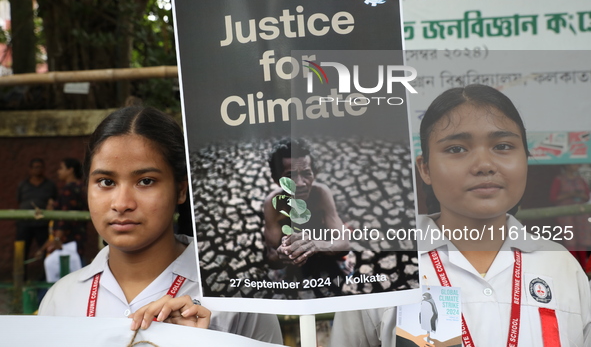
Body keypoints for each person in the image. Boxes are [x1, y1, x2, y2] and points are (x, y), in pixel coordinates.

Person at [330, 85, 591, 346]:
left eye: (502, 145)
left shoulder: (560, 265)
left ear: (525, 158)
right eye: (456, 149)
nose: (484, 165)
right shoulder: (377, 266)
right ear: (425, 169)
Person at [38, 106, 282, 343]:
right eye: (106, 181)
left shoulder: (236, 292)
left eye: (145, 181)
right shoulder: (62, 299)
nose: (122, 203)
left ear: (181, 190)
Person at [263, 138, 349, 296]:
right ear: (277, 180)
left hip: (321, 246)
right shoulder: (273, 204)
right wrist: (282, 255)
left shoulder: (321, 194)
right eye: (290, 176)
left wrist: (316, 245)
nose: (300, 183)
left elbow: (343, 243)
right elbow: (271, 256)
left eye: (306, 173)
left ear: (315, 174)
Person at [36, 158, 87, 262]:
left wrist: (57, 239)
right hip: (79, 237)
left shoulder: (68, 190)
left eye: (61, 168)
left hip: (66, 241)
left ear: (70, 170)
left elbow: (64, 217)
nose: (58, 171)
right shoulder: (82, 187)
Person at [16, 158, 58, 264]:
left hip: (42, 223)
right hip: (24, 223)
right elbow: (19, 200)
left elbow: (54, 201)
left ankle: (46, 276)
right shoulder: (23, 185)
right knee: (21, 251)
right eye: (35, 167)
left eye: (40, 167)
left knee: (46, 251)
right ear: (30, 169)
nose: (38, 170)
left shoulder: (50, 185)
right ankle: (20, 277)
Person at [549, 163, 591, 266]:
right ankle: (572, 264)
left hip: (581, 213)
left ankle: (584, 264)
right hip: (565, 213)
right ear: (566, 165)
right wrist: (570, 195)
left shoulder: (580, 179)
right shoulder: (559, 179)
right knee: (570, 238)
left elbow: (587, 196)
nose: (576, 165)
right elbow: (553, 198)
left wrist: (580, 195)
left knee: (583, 238)